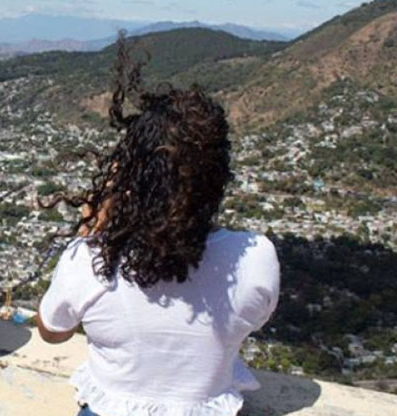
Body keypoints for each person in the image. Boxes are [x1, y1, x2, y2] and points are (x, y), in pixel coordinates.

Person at [36, 40, 280, 416]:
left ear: (133, 173)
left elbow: (52, 331)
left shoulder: (91, 259)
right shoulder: (255, 257)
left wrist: (92, 234)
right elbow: (253, 319)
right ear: (217, 177)